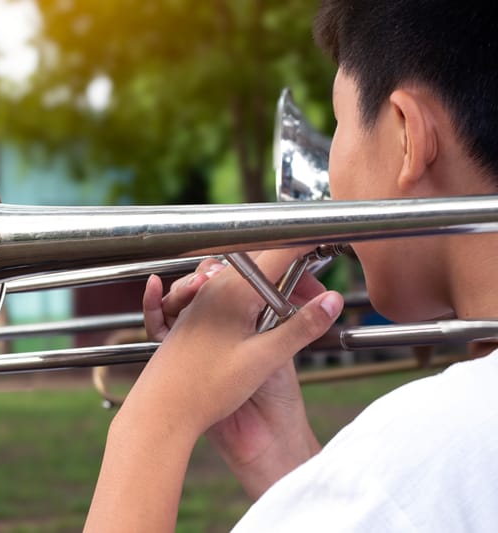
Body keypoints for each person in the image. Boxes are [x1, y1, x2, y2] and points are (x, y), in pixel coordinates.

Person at [84, 1, 498, 531]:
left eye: (341, 122)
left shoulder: (416, 459)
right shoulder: (420, 471)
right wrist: (281, 456)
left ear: (407, 135)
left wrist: (154, 421)